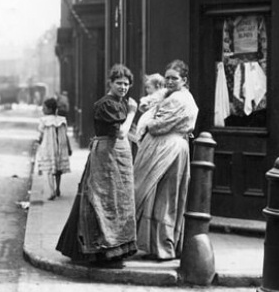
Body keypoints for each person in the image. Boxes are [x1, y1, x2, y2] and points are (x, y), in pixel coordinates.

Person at [56, 64, 138, 264]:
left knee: (120, 199)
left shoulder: (120, 103)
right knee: (103, 197)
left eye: (126, 84)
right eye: (119, 83)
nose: (123, 87)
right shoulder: (106, 104)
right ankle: (101, 249)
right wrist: (133, 112)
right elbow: (120, 132)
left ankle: (117, 248)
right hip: (106, 156)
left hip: (119, 156)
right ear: (110, 83)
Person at [133, 60, 199, 260]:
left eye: (174, 78)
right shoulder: (179, 96)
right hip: (171, 146)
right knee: (163, 195)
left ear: (184, 80)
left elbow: (157, 126)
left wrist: (149, 123)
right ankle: (160, 245)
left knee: (160, 194)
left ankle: (162, 246)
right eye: (167, 77)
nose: (169, 81)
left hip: (167, 148)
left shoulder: (178, 99)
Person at [35, 97, 72, 200]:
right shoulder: (62, 120)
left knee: (50, 170)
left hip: (49, 147)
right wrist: (69, 147)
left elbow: (41, 135)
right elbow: (65, 135)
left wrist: (38, 142)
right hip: (61, 147)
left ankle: (52, 191)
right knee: (58, 170)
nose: (43, 110)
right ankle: (58, 189)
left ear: (50, 109)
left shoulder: (44, 120)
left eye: (44, 108)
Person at [132, 73, 166, 146]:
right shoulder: (150, 97)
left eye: (148, 87)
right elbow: (143, 107)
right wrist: (151, 106)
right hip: (151, 114)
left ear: (157, 86)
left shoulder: (163, 94)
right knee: (143, 124)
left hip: (159, 117)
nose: (147, 90)